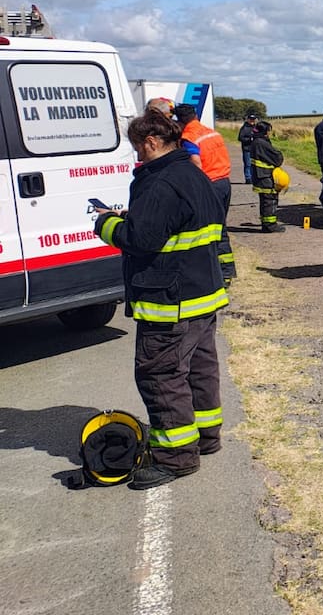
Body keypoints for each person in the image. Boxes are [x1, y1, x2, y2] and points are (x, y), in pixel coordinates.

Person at [93, 109, 228, 489]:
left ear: (151, 143)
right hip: (202, 294)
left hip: (170, 301)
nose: (137, 155)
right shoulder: (192, 173)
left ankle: (176, 458)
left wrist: (106, 223)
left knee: (161, 375)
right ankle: (206, 438)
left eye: (138, 148)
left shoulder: (159, 183)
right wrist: (134, 217)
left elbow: (141, 240)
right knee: (200, 370)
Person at [175, 103, 236, 284]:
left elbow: (196, 163)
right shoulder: (212, 132)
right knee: (220, 228)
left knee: (211, 230)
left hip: (210, 185)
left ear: (179, 121)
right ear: (195, 115)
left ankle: (221, 273)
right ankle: (226, 271)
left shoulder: (189, 137)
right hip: (224, 182)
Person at [250, 121, 286, 233]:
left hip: (260, 176)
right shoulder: (261, 143)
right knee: (269, 201)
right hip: (265, 176)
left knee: (266, 201)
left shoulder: (256, 141)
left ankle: (267, 224)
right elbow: (277, 158)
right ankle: (270, 225)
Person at [237, 112, 259, 184]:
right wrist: (249, 139)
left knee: (255, 164)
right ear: (248, 119)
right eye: (251, 119)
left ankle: (254, 177)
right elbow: (240, 138)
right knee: (248, 164)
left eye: (253, 119)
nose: (252, 121)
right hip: (247, 149)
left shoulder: (257, 127)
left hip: (255, 149)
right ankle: (248, 178)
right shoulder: (244, 128)